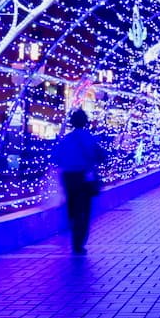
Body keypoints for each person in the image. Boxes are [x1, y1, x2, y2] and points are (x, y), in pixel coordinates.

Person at [51, 108, 107, 254]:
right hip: (84, 177)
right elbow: (101, 155)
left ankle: (72, 224)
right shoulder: (90, 138)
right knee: (85, 209)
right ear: (85, 122)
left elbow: (56, 158)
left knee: (72, 204)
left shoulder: (66, 139)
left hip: (69, 177)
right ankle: (79, 241)